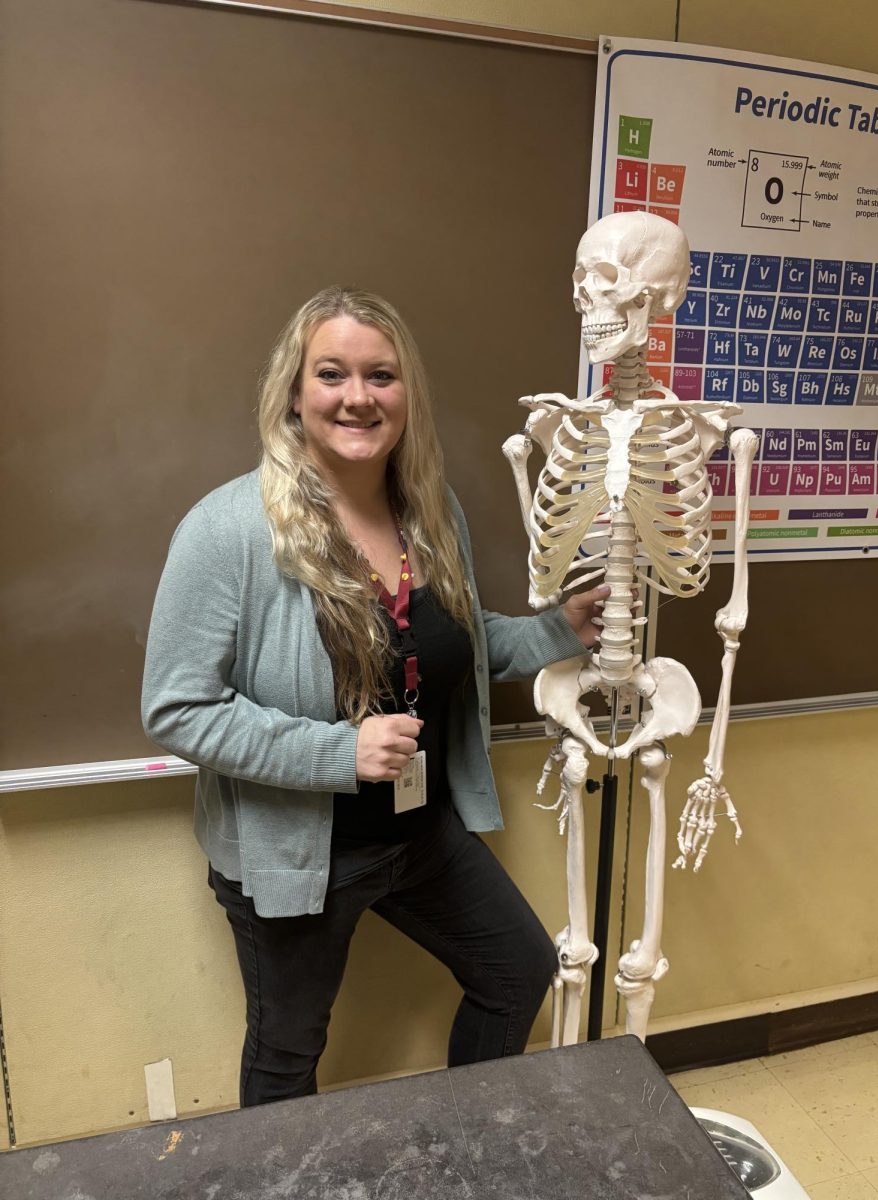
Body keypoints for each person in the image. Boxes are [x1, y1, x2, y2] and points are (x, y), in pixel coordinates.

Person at [141, 286, 609, 1107]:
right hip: (298, 859)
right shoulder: (227, 531)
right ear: (295, 391)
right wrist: (335, 752)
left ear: (406, 394)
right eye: (333, 374)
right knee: (289, 1050)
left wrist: (557, 631)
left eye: (381, 376)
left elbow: (456, 644)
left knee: (518, 969)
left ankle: (469, 1152)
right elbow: (177, 708)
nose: (358, 396)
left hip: (420, 832)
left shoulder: (431, 514)